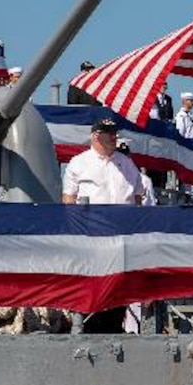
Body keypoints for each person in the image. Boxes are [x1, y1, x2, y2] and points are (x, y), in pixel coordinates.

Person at [62, 117, 145, 333]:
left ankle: (114, 327)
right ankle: (90, 329)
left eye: (115, 133)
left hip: (121, 238)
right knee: (93, 290)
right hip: (92, 238)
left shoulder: (126, 164)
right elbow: (68, 201)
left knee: (118, 290)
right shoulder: (79, 163)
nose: (114, 137)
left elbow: (137, 198)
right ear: (95, 136)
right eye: (109, 133)